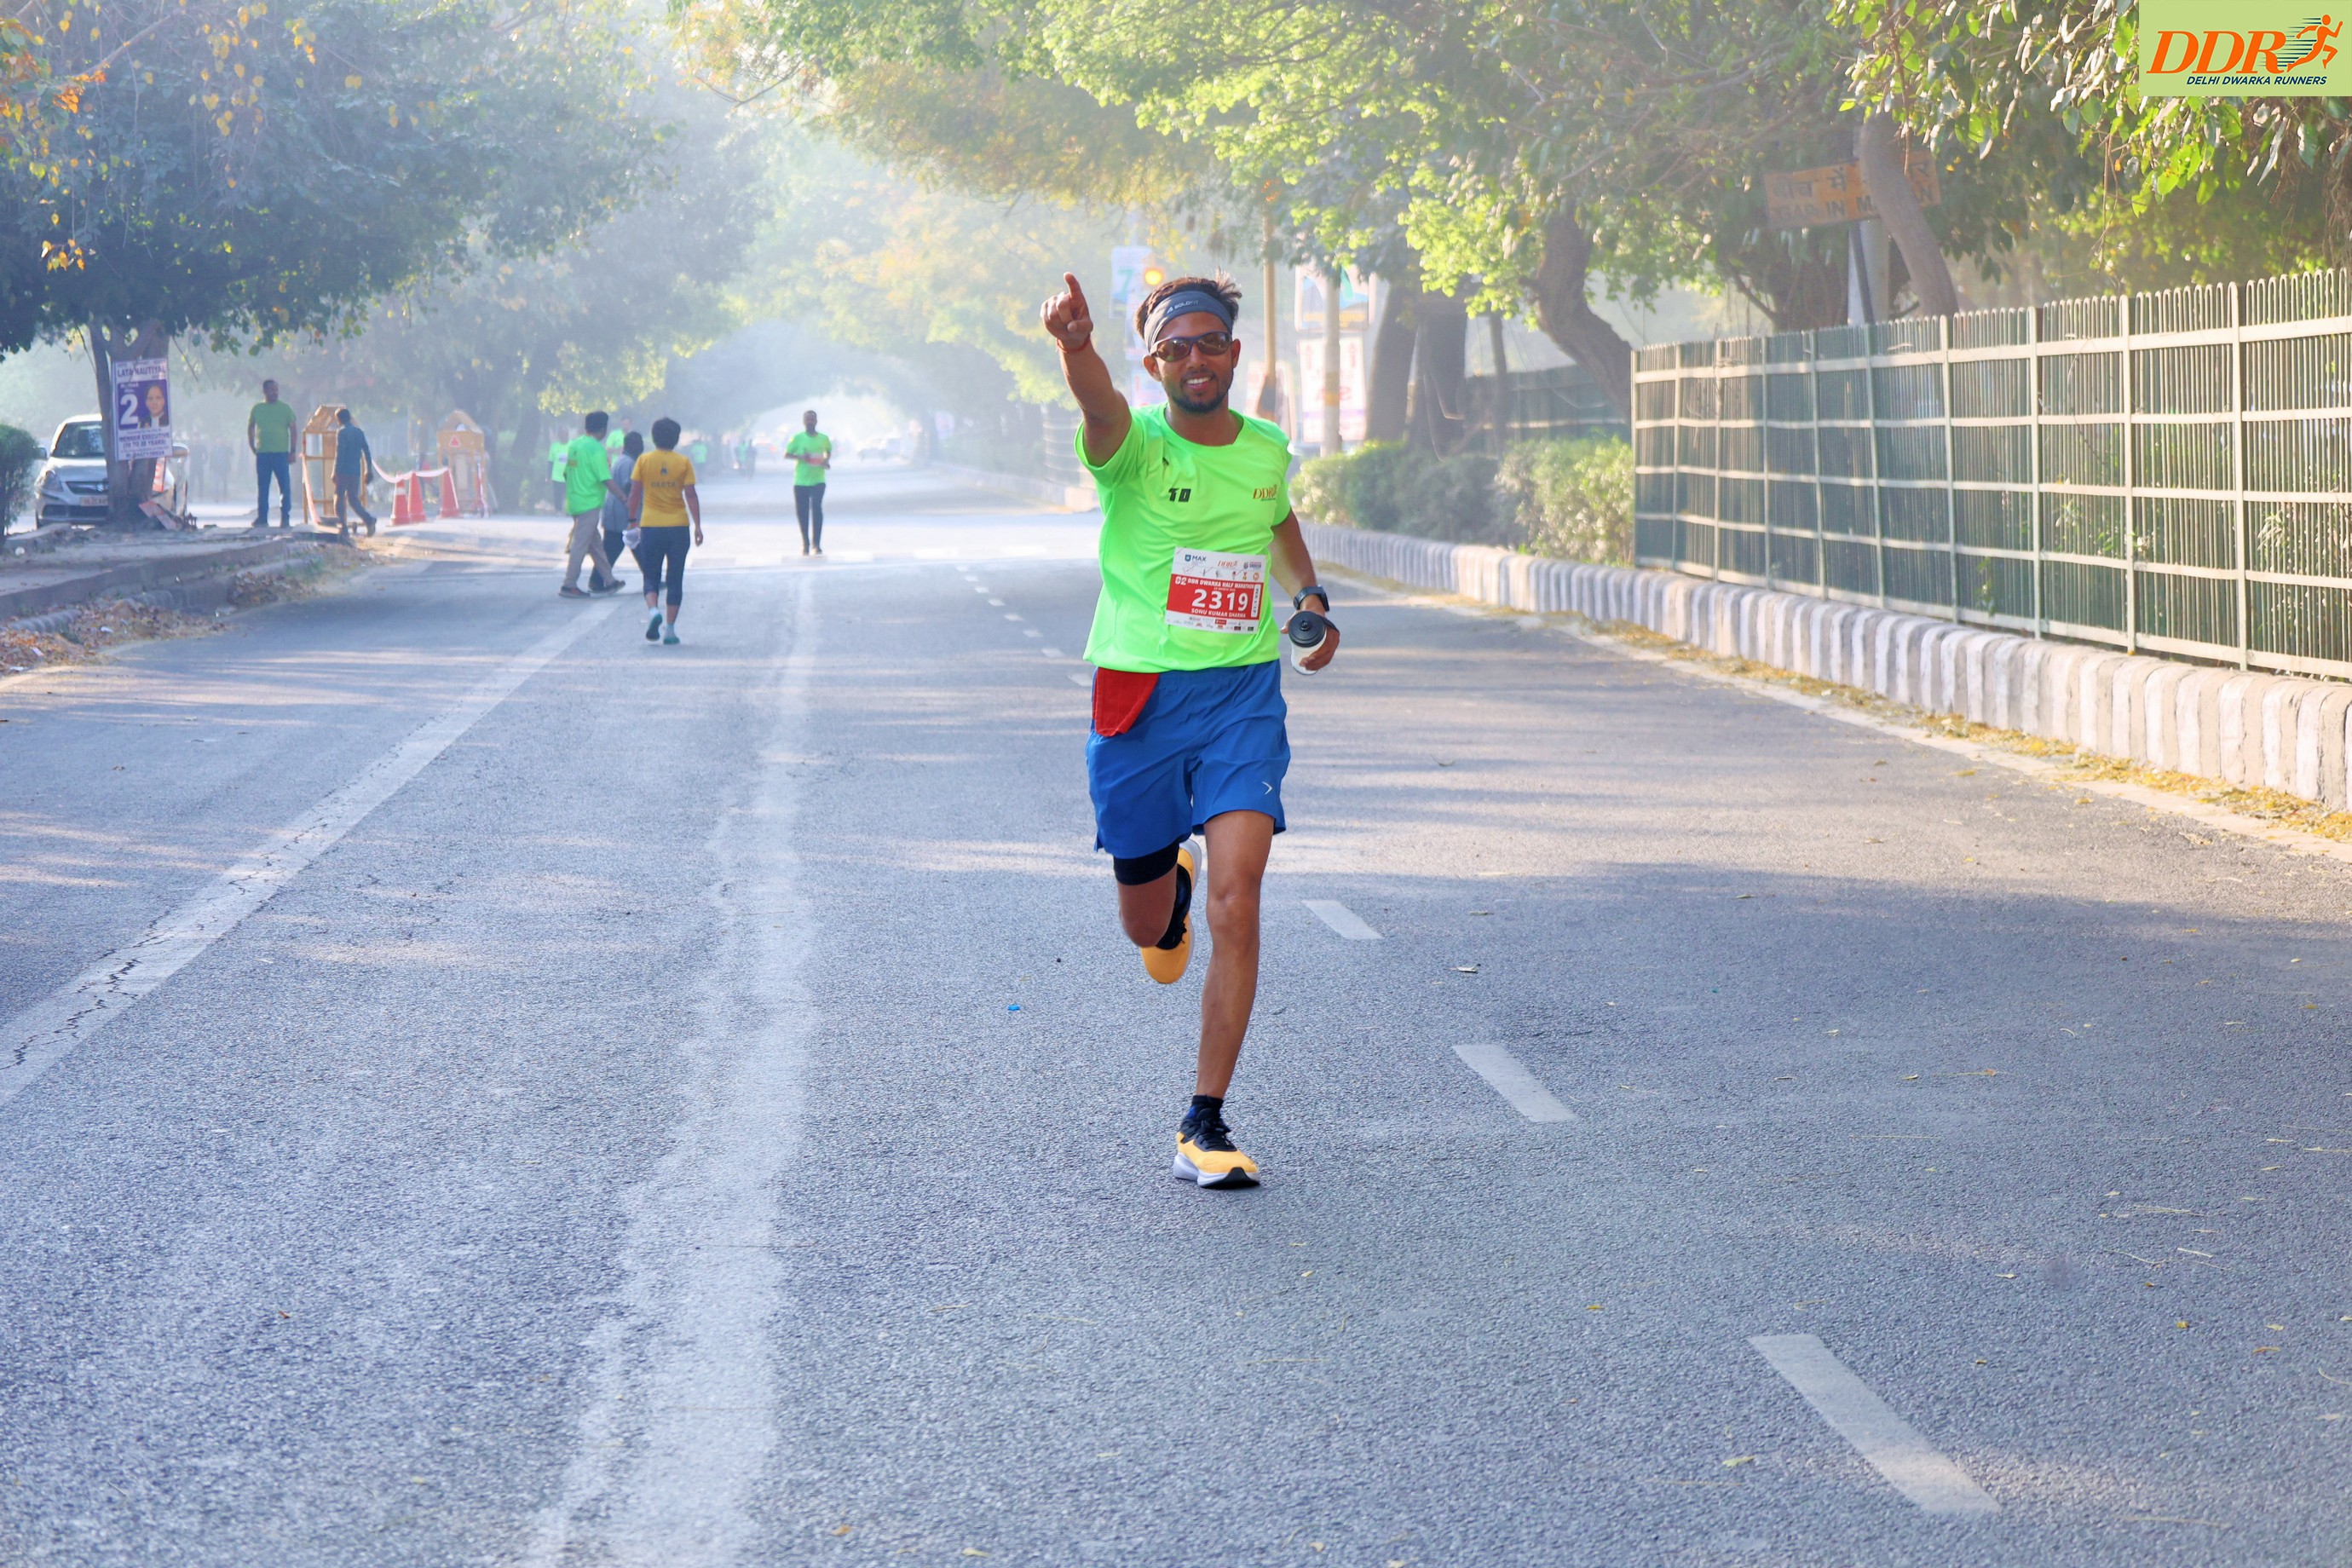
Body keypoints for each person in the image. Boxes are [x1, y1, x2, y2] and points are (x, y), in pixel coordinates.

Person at [1040, 268, 1339, 1191]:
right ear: (1155, 364)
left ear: (1234, 354)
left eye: (1212, 343)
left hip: (1241, 697)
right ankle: (1164, 882)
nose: (1197, 359)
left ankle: (1203, 1120)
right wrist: (1076, 349)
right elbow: (1097, 408)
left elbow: (1276, 518)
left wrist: (1310, 598)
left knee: (1239, 901)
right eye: (1177, 347)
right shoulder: (1132, 447)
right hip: (1139, 698)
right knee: (1147, 927)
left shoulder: (1265, 450)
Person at [629, 417, 701, 646]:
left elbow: (634, 494)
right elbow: (691, 495)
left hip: (651, 526)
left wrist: (632, 521)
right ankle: (670, 630)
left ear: (654, 437)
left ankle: (653, 611)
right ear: (676, 439)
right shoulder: (683, 462)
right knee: (675, 577)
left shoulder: (643, 460)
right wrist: (698, 526)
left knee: (651, 574)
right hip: (678, 526)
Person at [558, 411, 626, 599]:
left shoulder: (575, 445)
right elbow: (606, 478)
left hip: (575, 501)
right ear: (603, 429)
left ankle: (609, 581)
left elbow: (567, 473)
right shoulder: (597, 449)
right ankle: (569, 584)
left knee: (595, 544)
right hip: (589, 504)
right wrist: (623, 497)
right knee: (580, 545)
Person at [247, 379, 297, 528]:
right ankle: (262, 518)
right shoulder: (257, 409)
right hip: (263, 454)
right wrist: (252, 445)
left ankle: (285, 518)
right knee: (263, 487)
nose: (275, 392)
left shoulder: (285, 409)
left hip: (281, 454)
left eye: (276, 389)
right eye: (271, 390)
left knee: (284, 487)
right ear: (264, 391)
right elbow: (251, 427)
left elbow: (293, 430)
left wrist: (292, 451)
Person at [786, 409, 832, 556]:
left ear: (816, 421)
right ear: (803, 422)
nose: (810, 422)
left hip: (818, 480)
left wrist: (826, 461)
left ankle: (816, 544)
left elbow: (828, 452)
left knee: (817, 508)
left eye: (812, 419)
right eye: (807, 419)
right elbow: (787, 454)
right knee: (802, 512)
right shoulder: (797, 438)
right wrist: (801, 457)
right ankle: (805, 543)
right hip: (801, 481)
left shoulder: (824, 438)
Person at [603, 430, 643, 585]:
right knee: (614, 548)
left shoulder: (623, 460)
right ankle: (598, 580)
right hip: (622, 513)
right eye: (639, 444)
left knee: (633, 546)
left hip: (618, 512)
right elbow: (630, 488)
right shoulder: (628, 463)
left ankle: (598, 580)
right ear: (633, 446)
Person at [331, 408, 378, 536]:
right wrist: (368, 470)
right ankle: (369, 520)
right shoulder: (359, 432)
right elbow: (367, 452)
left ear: (339, 419)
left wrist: (335, 472)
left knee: (339, 497)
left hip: (343, 471)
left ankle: (343, 527)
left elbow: (340, 454)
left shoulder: (341, 432)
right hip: (355, 472)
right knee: (353, 499)